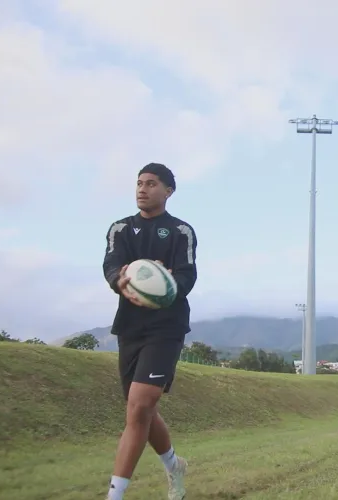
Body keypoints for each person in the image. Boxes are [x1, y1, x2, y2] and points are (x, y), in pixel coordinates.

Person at [102, 162, 198, 500]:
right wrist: (121, 279)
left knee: (140, 405)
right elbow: (111, 266)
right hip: (130, 327)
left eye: (151, 183)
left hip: (166, 327)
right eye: (139, 183)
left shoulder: (181, 231)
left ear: (168, 191)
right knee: (140, 409)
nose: (143, 189)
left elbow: (187, 275)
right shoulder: (120, 229)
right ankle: (174, 465)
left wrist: (167, 282)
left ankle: (114, 495)